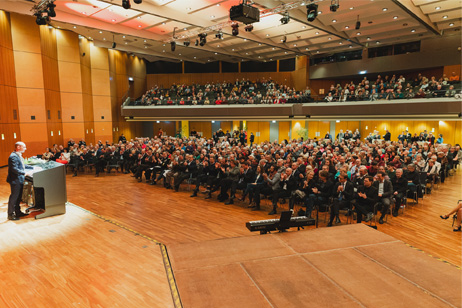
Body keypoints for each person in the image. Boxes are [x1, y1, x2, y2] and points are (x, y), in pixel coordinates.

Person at [6, 142, 34, 220]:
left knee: (18, 197)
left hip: (19, 179)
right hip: (15, 180)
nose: (25, 148)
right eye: (24, 147)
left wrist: (33, 167)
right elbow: (14, 169)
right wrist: (24, 173)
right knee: (14, 197)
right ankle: (10, 214)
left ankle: (18, 212)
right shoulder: (13, 156)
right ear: (18, 147)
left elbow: (22, 165)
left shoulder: (18, 155)